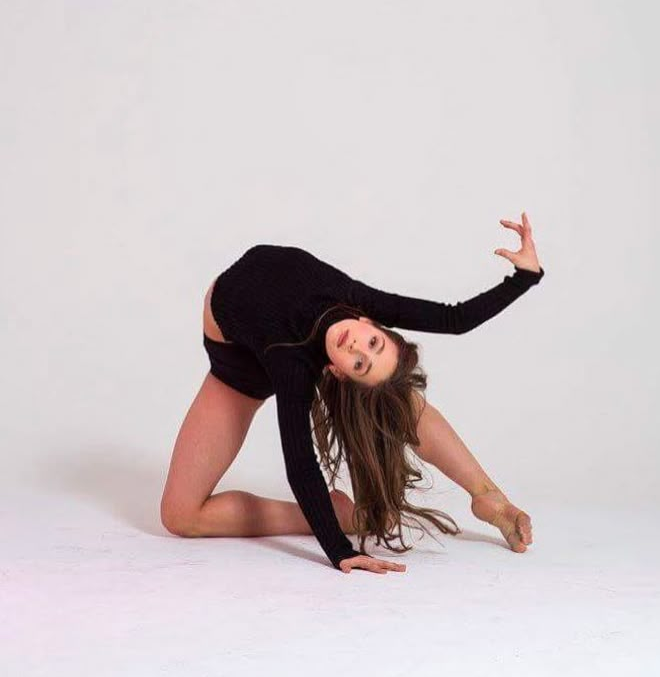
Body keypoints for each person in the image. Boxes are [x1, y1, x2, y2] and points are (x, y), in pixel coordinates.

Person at [160, 212, 545, 575]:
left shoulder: (291, 361)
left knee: (387, 390)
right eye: (373, 343)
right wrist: (525, 277)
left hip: (276, 358)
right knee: (180, 515)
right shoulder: (360, 302)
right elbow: (454, 319)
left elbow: (300, 463)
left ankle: (487, 495)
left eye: (360, 362)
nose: (360, 348)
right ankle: (341, 513)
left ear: (336, 374)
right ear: (372, 323)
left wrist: (341, 552)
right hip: (239, 361)